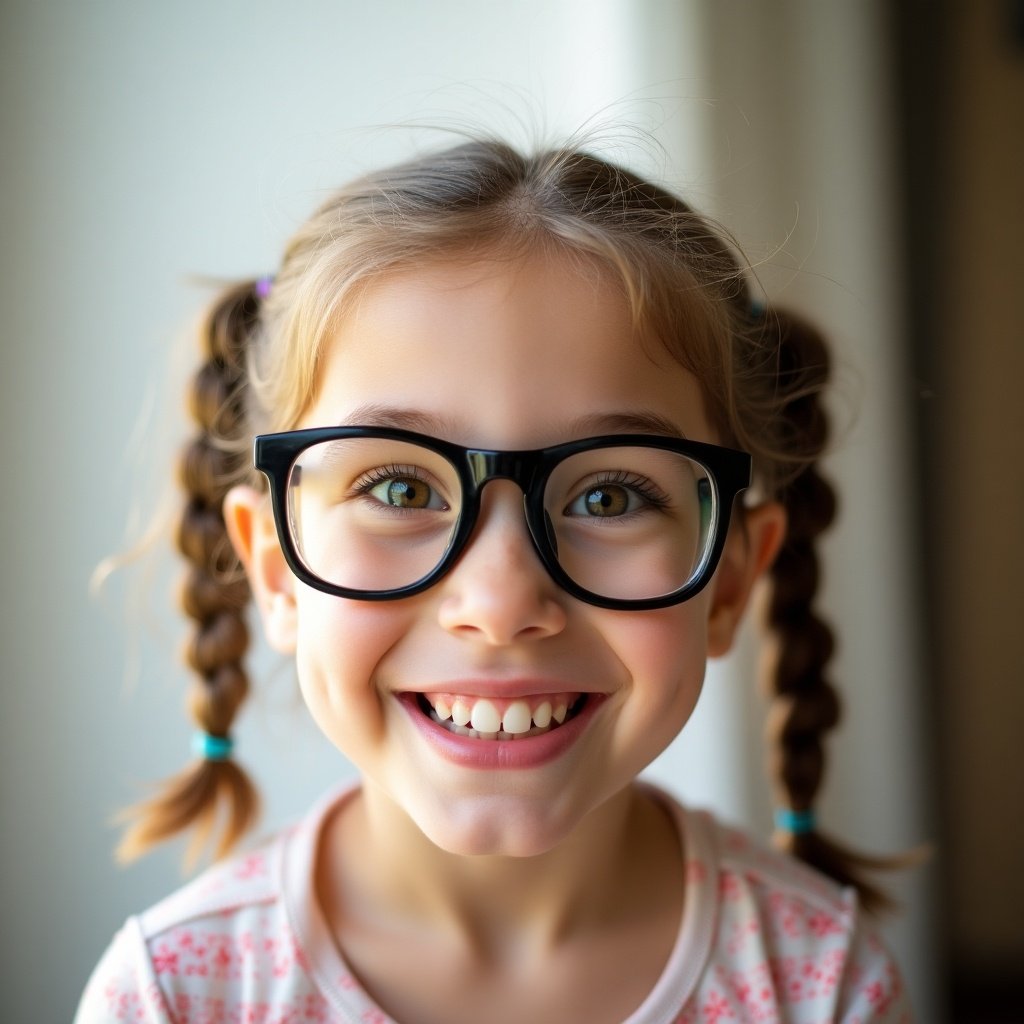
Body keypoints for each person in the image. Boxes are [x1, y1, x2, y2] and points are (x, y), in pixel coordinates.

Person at [75, 138, 912, 1023]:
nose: (503, 602)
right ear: (277, 571)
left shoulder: (825, 986)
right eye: (398, 489)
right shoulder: (175, 997)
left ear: (731, 580)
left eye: (609, 493)